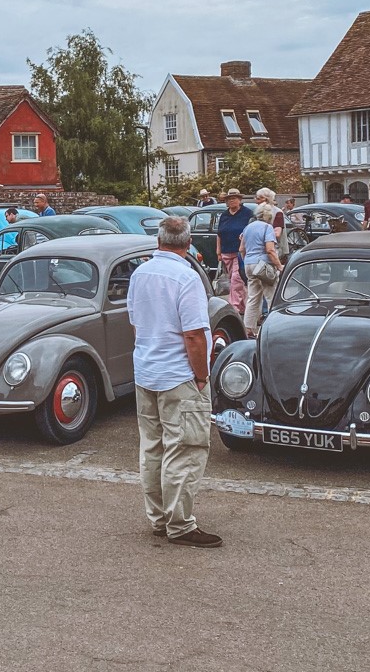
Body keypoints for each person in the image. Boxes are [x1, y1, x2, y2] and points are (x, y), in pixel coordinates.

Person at [126, 216, 219, 548]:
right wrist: (201, 375)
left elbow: (135, 324)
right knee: (185, 447)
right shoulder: (187, 277)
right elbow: (193, 334)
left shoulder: (140, 274)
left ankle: (159, 517)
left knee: (152, 446)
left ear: (158, 241)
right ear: (189, 243)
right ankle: (180, 523)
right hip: (178, 374)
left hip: (147, 370)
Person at [240, 205, 282, 338]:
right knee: (271, 296)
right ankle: (273, 328)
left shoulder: (248, 228)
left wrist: (247, 260)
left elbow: (242, 248)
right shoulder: (267, 228)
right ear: (268, 216)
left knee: (253, 297)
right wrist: (279, 266)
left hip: (249, 264)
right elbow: (270, 250)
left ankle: (248, 328)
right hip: (263, 264)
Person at [215, 189, 251, 315]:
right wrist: (218, 251)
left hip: (240, 253)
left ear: (240, 200)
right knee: (234, 281)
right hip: (226, 252)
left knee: (237, 279)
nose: (231, 200)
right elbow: (219, 234)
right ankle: (243, 307)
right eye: (229, 199)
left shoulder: (247, 213)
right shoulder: (224, 215)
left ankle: (233, 307)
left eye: (234, 198)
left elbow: (250, 231)